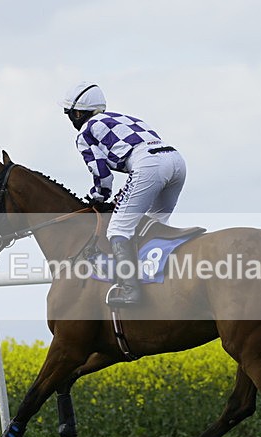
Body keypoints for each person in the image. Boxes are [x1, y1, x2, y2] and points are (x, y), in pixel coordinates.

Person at [60, 81, 187, 306]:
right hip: (176, 160)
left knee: (118, 228)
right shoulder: (125, 118)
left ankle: (130, 289)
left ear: (77, 112)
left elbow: (102, 175)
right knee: (153, 223)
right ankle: (156, 278)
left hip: (149, 164)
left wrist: (99, 197)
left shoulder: (84, 133)